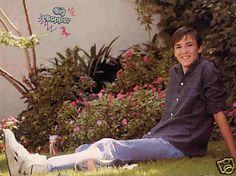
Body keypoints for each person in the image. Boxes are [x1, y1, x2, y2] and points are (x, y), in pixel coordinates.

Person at [3, 26, 236, 176]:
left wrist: (233, 154)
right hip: (161, 136)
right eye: (178, 46)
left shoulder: (206, 70)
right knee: (88, 149)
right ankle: (87, 164)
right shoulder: (176, 72)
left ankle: (36, 166)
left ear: (200, 47)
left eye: (189, 45)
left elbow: (217, 111)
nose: (184, 51)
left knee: (108, 146)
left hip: (180, 144)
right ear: (173, 51)